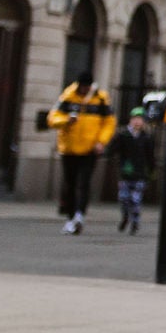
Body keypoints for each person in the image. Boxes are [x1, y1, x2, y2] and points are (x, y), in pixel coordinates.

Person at [48, 70, 115, 235]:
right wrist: (66, 121)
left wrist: (101, 142)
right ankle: (70, 217)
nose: (84, 89)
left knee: (83, 183)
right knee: (69, 184)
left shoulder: (101, 98)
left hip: (89, 149)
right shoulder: (68, 96)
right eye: (82, 86)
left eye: (87, 86)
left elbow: (109, 122)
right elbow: (52, 118)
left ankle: (79, 215)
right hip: (69, 149)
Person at [110, 108, 156, 236]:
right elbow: (113, 149)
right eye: (135, 119)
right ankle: (125, 216)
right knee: (124, 198)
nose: (137, 122)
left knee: (135, 199)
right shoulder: (123, 135)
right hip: (126, 172)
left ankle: (135, 222)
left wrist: (152, 170)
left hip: (140, 173)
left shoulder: (146, 137)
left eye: (140, 119)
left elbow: (150, 156)